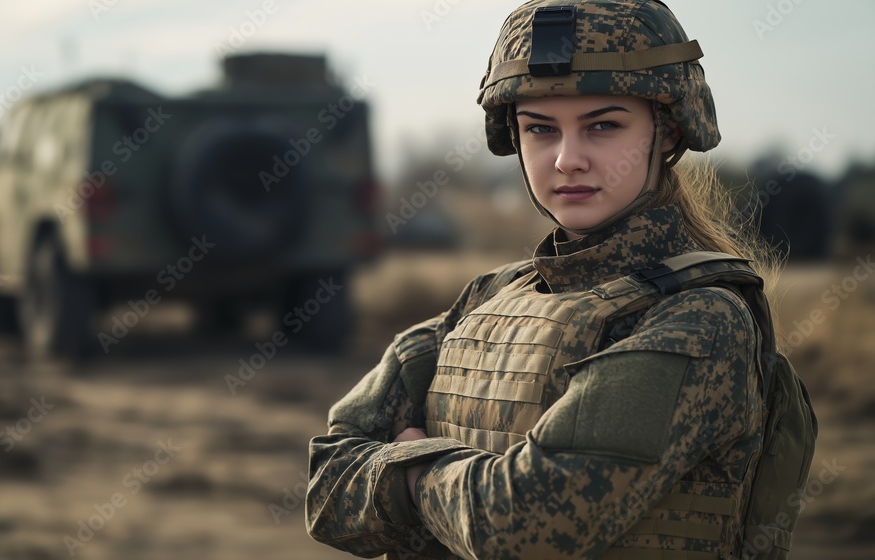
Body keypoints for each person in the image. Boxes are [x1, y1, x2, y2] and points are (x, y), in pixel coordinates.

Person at [306, 1, 811, 559]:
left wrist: (413, 470)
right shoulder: (490, 297)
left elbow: (528, 528)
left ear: (667, 133)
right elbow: (325, 488)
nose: (568, 159)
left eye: (603, 126)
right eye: (540, 130)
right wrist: (458, 484)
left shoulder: (700, 318)